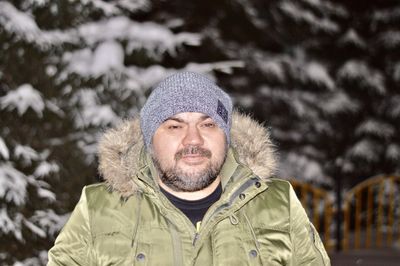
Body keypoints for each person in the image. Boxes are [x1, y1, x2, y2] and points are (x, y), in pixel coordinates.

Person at [48, 71, 330, 265]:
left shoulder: (278, 204)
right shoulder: (98, 209)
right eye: (174, 126)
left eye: (208, 124)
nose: (193, 139)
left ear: (226, 137)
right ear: (150, 140)